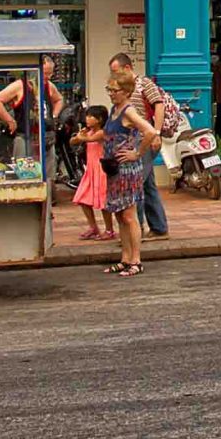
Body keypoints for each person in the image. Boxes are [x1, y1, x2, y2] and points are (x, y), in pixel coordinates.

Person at [101, 74, 161, 277]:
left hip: (127, 170)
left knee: (129, 215)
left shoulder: (129, 111)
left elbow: (150, 131)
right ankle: (125, 258)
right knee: (119, 214)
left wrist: (137, 153)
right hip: (115, 169)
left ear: (126, 92)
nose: (111, 94)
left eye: (114, 90)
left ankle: (136, 259)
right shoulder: (114, 110)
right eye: (109, 90)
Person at [108, 53, 171, 240]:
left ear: (127, 68)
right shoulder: (122, 92)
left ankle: (136, 229)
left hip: (144, 140)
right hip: (132, 139)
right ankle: (159, 227)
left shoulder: (144, 84)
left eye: (116, 71)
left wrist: (156, 134)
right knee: (148, 184)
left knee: (137, 186)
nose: (114, 75)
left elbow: (159, 106)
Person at [0, 55, 64, 161]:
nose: (49, 77)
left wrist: (54, 115)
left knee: (49, 172)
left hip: (46, 136)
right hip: (25, 135)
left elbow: (59, 99)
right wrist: (10, 121)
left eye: (51, 73)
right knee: (25, 169)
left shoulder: (49, 86)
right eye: (45, 73)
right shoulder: (20, 85)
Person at [69, 103, 116, 241]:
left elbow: (90, 139)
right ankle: (93, 227)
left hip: (101, 171)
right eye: (87, 116)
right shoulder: (88, 131)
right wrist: (78, 136)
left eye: (91, 116)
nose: (87, 119)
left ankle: (109, 230)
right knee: (82, 198)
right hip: (90, 170)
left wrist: (81, 137)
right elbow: (73, 141)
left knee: (103, 203)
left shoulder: (103, 132)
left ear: (100, 119)